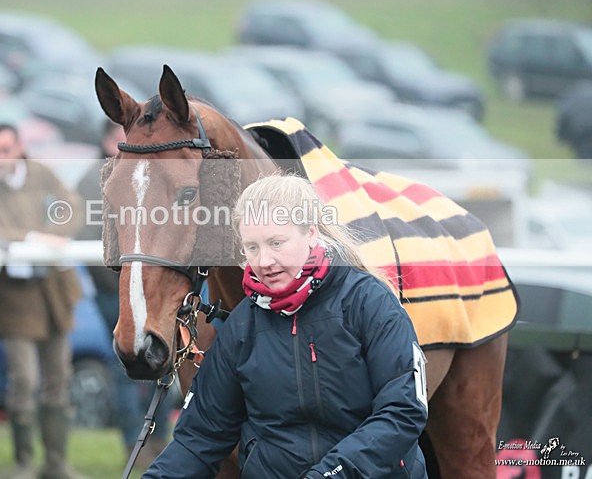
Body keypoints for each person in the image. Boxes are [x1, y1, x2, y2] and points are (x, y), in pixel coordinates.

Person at [143, 174, 429, 478]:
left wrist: (329, 475)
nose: (264, 261)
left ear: (311, 233)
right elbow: (198, 438)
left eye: (276, 243)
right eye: (252, 248)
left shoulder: (370, 302)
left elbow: (403, 412)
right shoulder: (242, 325)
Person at [0, 123, 86, 479]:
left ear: (19, 148)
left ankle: (56, 463)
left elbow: (73, 208)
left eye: (4, 149)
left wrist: (52, 236)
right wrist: (33, 239)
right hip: (13, 296)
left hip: (54, 291)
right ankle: (24, 463)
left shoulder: (41, 173)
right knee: (25, 379)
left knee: (59, 377)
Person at [75, 120, 173, 464]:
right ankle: (135, 442)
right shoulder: (93, 180)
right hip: (115, 292)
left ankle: (158, 439)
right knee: (126, 366)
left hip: (147, 288)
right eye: (123, 137)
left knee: (163, 361)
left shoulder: (145, 174)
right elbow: (87, 239)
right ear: (107, 141)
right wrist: (124, 281)